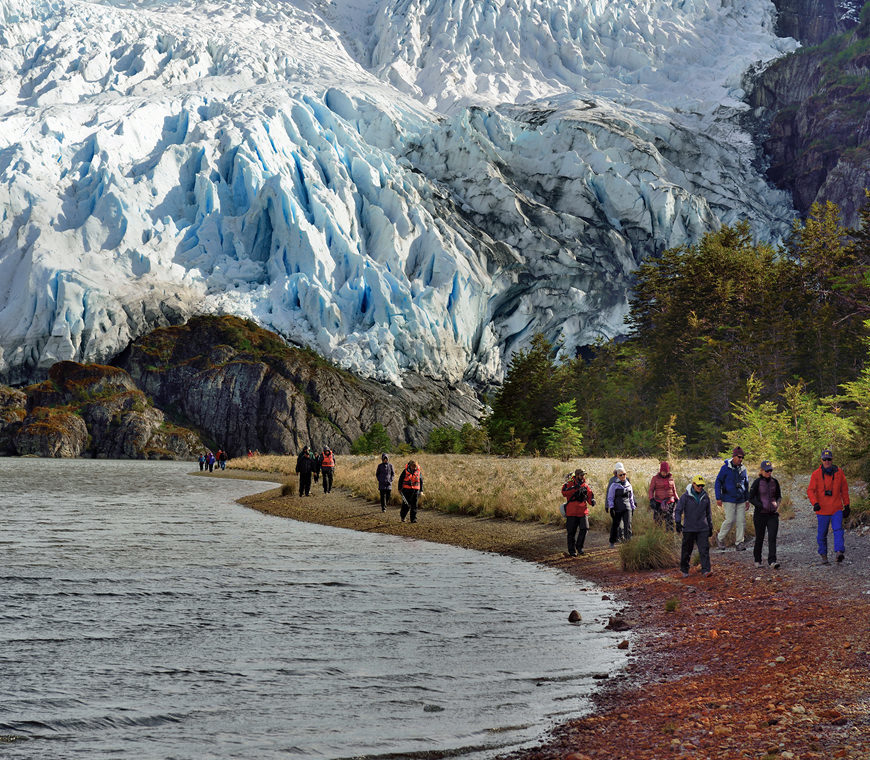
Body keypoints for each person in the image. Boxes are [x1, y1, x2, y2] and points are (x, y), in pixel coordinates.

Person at [806, 448, 850, 564]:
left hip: (836, 508)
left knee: (838, 530)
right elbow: (810, 490)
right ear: (821, 460)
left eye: (829, 459)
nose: (827, 461)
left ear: (832, 459)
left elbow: (844, 490)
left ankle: (839, 552)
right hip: (822, 510)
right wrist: (814, 503)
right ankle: (823, 555)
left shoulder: (839, 472)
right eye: (825, 459)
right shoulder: (816, 474)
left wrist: (847, 505)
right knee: (822, 534)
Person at [674, 475, 714, 577]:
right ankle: (684, 570)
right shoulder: (685, 497)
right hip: (689, 528)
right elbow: (678, 510)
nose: (700, 487)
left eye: (702, 485)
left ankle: (706, 570)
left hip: (702, 528)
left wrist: (710, 526)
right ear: (693, 484)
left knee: (704, 550)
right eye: (698, 485)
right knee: (687, 550)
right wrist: (678, 522)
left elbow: (708, 513)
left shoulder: (705, 497)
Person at [714, 446, 750, 550]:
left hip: (741, 499)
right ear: (733, 456)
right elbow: (718, 482)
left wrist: (747, 499)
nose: (741, 459)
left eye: (742, 457)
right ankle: (720, 538)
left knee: (741, 521)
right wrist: (718, 497)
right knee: (730, 520)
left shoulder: (743, 468)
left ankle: (739, 543)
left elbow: (746, 484)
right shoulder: (725, 468)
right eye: (739, 457)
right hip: (728, 498)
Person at [748, 460, 782, 569]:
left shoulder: (775, 482)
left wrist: (777, 504)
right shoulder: (757, 482)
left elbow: (779, 496)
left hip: (772, 514)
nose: (769, 473)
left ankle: (772, 561)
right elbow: (751, 497)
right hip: (760, 515)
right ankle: (757, 560)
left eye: (770, 470)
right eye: (767, 471)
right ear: (761, 471)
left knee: (772, 537)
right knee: (760, 537)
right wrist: (760, 505)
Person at [561, 469, 595, 556]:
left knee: (585, 528)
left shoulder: (585, 486)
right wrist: (574, 489)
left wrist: (592, 501)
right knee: (571, 532)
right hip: (571, 512)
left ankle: (579, 547)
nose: (583, 476)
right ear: (577, 475)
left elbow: (589, 495)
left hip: (582, 511)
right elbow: (564, 492)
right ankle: (572, 551)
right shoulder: (569, 484)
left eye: (584, 475)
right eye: (581, 475)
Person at [606, 464, 636, 546]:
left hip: (627, 508)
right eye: (621, 475)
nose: (623, 476)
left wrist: (633, 507)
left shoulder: (628, 485)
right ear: (617, 476)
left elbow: (631, 497)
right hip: (617, 508)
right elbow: (610, 497)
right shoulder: (614, 485)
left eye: (624, 474)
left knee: (628, 525)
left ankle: (628, 543)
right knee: (616, 525)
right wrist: (611, 508)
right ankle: (612, 541)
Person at [648, 460, 678, 530]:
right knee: (658, 520)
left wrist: (677, 499)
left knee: (670, 520)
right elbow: (651, 490)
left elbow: (674, 490)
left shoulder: (671, 478)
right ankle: (658, 535)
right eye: (663, 472)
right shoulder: (655, 478)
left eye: (666, 472)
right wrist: (651, 499)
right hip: (658, 502)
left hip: (670, 502)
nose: (664, 474)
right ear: (660, 471)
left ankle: (670, 535)